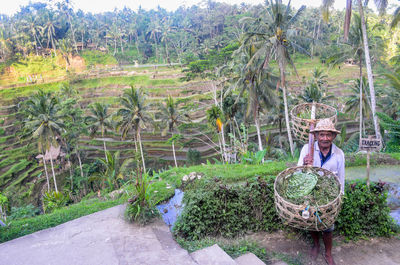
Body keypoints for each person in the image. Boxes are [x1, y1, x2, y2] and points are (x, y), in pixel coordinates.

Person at [297, 118, 345, 265]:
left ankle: (328, 252)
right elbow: (297, 173)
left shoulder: (338, 154)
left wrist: (339, 197)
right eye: (322, 135)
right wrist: (304, 165)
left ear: (334, 136)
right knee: (311, 221)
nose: (325, 138)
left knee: (328, 225)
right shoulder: (307, 149)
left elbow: (341, 178)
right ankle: (316, 245)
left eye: (328, 135)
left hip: (328, 195)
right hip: (310, 192)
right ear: (316, 136)